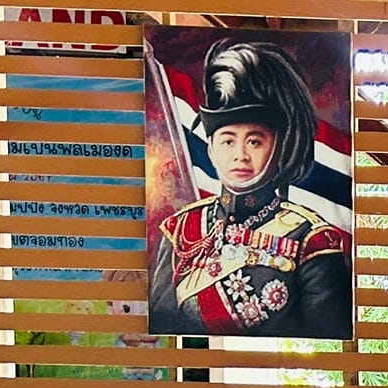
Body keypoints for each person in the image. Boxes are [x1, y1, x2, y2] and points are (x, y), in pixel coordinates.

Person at [150, 40, 351, 339]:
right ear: (211, 149)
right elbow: (162, 327)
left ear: (278, 146)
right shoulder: (180, 230)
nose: (240, 155)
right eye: (228, 141)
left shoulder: (312, 241)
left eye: (255, 141)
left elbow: (324, 339)